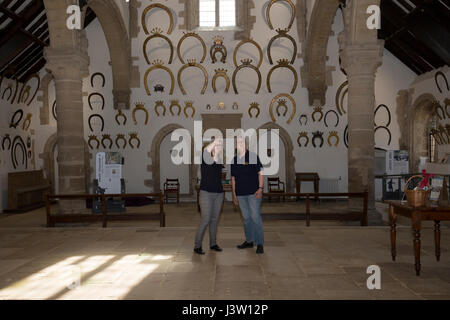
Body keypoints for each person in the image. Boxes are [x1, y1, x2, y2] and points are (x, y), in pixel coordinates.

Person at [231, 137, 265, 254]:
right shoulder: (234, 160)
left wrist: (260, 188)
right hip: (240, 194)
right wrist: (234, 194)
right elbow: (233, 178)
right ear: (235, 146)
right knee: (246, 219)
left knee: (255, 217)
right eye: (238, 143)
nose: (240, 144)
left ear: (246, 144)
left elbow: (260, 172)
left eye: (242, 142)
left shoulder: (253, 156)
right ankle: (250, 241)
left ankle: (260, 243)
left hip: (253, 193)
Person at [193, 138, 224, 255]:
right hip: (206, 194)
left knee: (214, 220)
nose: (218, 148)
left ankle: (213, 244)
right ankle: (197, 246)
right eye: (216, 147)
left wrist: (217, 151)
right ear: (212, 149)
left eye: (220, 147)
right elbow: (205, 150)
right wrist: (215, 142)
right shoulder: (206, 159)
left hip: (218, 194)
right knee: (205, 219)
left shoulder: (219, 161)